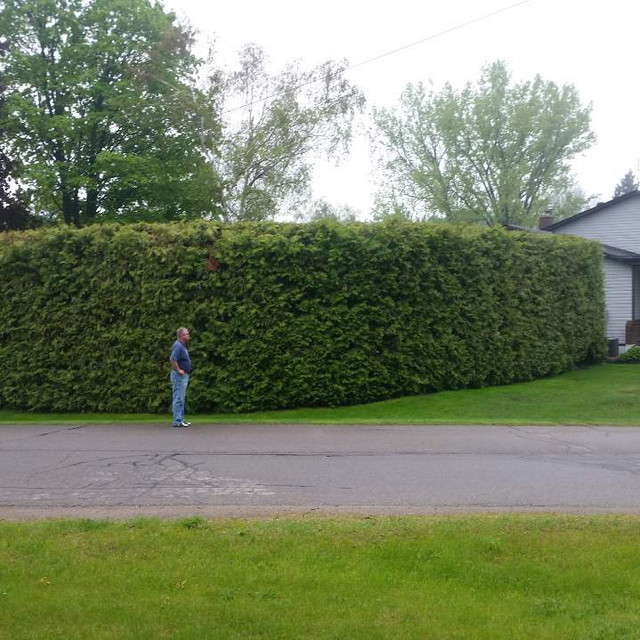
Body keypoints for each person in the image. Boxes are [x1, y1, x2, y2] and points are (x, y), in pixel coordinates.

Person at [170, 327, 192, 428]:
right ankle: (177, 421)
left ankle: (181, 419)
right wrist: (178, 370)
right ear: (182, 336)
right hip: (179, 376)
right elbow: (173, 359)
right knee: (178, 398)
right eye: (186, 334)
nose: (188, 335)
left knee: (181, 398)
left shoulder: (182, 346)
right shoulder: (178, 346)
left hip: (183, 376)